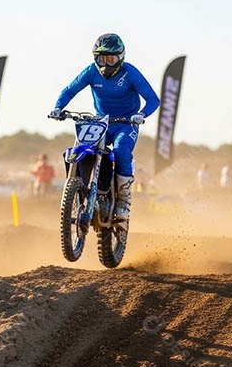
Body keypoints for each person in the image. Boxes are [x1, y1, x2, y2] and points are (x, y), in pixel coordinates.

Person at [48, 33, 159, 231]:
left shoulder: (130, 72)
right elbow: (70, 90)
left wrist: (142, 114)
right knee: (80, 147)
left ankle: (123, 203)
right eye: (101, 58)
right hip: (101, 122)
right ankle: (80, 189)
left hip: (126, 123)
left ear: (121, 57)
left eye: (110, 58)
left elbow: (153, 99)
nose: (106, 64)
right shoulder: (91, 71)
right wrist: (58, 107)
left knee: (122, 151)